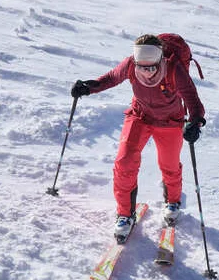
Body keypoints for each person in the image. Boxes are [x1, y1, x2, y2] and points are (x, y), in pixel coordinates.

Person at [72, 34, 206, 241]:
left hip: (170, 121)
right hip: (139, 117)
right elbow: (111, 78)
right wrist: (89, 87)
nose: (146, 70)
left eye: (151, 66)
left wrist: (195, 121)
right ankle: (125, 214)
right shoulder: (129, 65)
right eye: (141, 65)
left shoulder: (173, 69)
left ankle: (173, 201)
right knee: (124, 163)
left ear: (160, 57)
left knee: (169, 165)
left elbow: (191, 96)